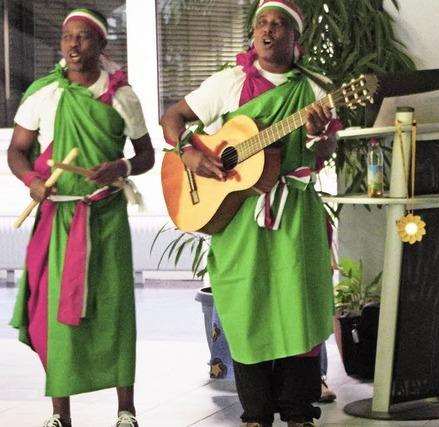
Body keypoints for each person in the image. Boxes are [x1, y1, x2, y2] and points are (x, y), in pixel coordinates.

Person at [160, 1, 339, 426]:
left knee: (298, 304)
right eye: (262, 22)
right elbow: (174, 117)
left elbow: (327, 151)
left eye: (279, 24)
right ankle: (256, 412)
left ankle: (298, 411)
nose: (269, 30)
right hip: (237, 211)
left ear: (296, 39)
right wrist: (188, 154)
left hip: (292, 207)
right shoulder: (229, 81)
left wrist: (318, 136)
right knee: (245, 306)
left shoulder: (315, 90)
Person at [7, 8, 153, 427]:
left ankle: (126, 410)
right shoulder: (43, 93)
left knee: (115, 311)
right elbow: (17, 151)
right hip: (59, 217)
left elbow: (146, 155)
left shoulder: (123, 96)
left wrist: (121, 167)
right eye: (67, 38)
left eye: (83, 38)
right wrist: (33, 181)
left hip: (106, 215)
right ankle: (59, 414)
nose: (73, 45)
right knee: (59, 314)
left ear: (101, 45)